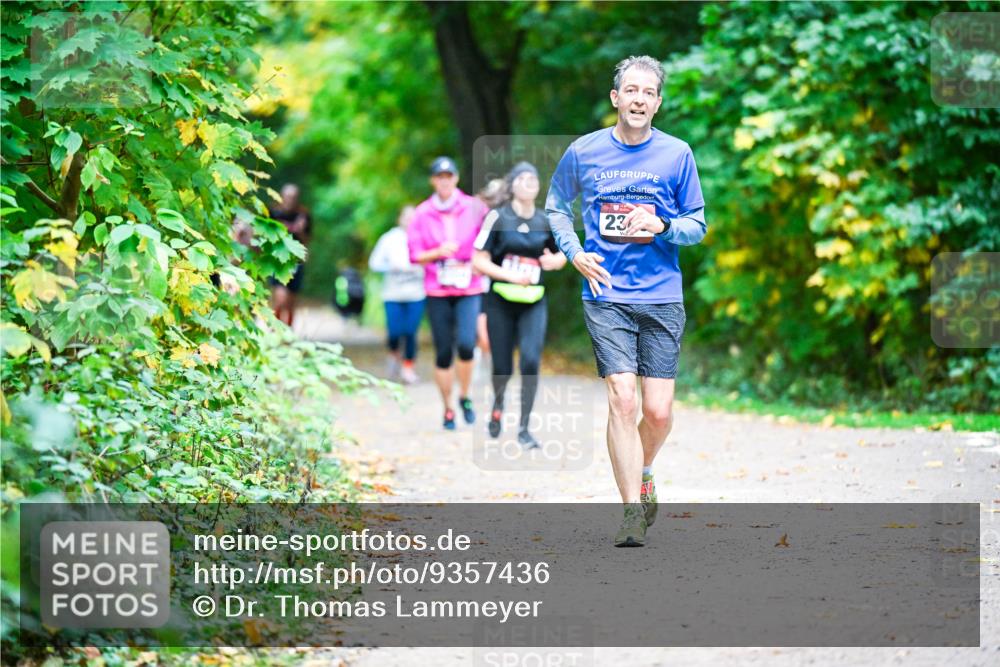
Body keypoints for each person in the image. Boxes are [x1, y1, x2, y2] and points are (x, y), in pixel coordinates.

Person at [546, 55, 707, 547]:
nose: (639, 99)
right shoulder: (584, 151)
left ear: (658, 103)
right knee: (622, 397)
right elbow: (556, 206)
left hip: (661, 295)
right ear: (616, 98)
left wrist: (663, 224)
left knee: (656, 412)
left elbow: (696, 225)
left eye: (648, 92)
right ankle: (631, 511)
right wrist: (574, 252)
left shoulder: (677, 154)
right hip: (606, 292)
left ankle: (645, 468)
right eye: (631, 90)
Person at [473, 162, 565, 449]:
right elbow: (478, 260)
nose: (529, 183)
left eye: (533, 179)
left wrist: (555, 261)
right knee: (502, 365)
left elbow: (563, 253)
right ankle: (498, 404)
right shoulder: (497, 217)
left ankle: (524, 428)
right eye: (523, 178)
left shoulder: (545, 220)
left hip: (533, 301)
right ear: (512, 185)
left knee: (530, 360)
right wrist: (509, 275)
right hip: (500, 301)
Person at [408, 157, 489, 430]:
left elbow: (490, 242)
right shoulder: (422, 213)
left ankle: (464, 395)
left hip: (469, 287)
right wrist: (437, 252)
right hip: (437, 289)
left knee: (466, 344)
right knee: (443, 351)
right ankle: (448, 408)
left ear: (456, 178)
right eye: (439, 177)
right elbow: (414, 254)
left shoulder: (474, 208)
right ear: (433, 180)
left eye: (449, 176)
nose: (444, 181)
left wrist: (480, 262)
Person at [369, 205, 426, 384]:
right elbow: (374, 263)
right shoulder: (389, 238)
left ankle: (408, 368)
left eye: (413, 217)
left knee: (410, 332)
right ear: (399, 218)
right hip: (392, 294)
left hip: (416, 294)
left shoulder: (424, 236)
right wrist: (391, 267)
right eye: (406, 217)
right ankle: (394, 355)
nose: (409, 220)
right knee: (394, 332)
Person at [268, 183, 311, 326]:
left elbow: (307, 240)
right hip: (277, 260)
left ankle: (288, 332)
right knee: (280, 299)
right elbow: (265, 235)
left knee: (291, 302)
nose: (291, 200)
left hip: (296, 261)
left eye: (294, 197)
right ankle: (276, 330)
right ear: (282, 197)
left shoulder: (303, 215)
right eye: (288, 196)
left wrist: (301, 230)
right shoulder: (273, 212)